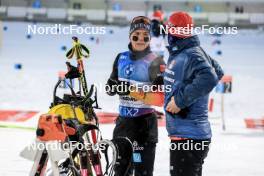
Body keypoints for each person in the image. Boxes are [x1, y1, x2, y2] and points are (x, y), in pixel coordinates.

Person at [164, 11, 224, 176]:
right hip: (187, 134)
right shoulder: (188, 50)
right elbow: (217, 71)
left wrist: (181, 101)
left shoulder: (191, 53)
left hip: (189, 136)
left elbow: (210, 77)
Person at [105, 16, 165, 176]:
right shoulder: (121, 58)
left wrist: (131, 90)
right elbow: (110, 85)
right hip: (123, 125)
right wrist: (112, 87)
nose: (140, 39)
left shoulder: (155, 61)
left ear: (150, 38)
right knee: (120, 172)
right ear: (130, 36)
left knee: (141, 172)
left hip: (144, 127)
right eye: (136, 35)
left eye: (145, 35)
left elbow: (160, 99)